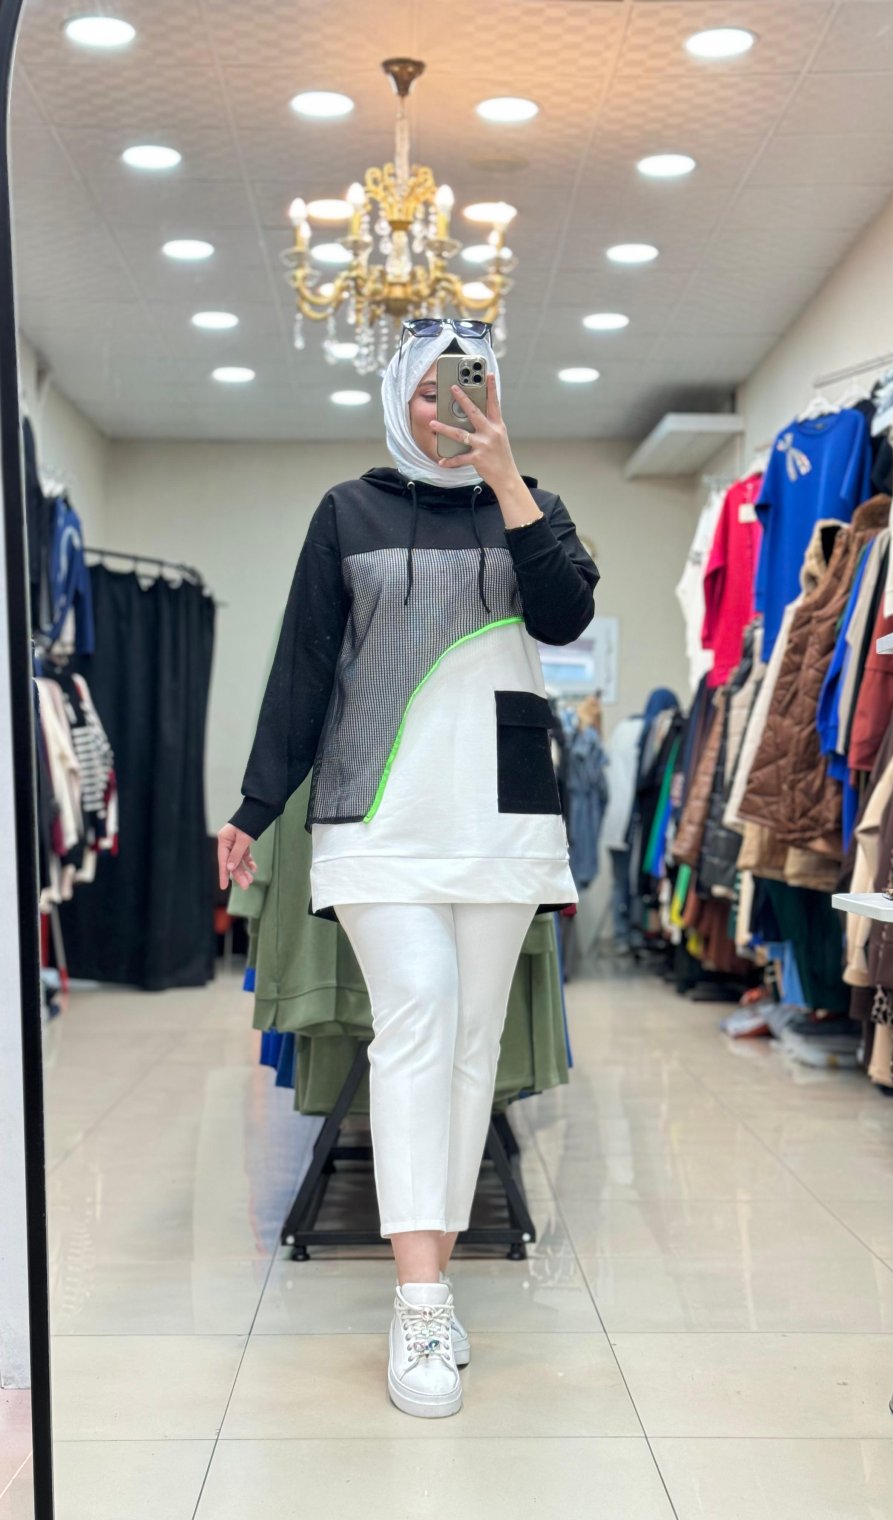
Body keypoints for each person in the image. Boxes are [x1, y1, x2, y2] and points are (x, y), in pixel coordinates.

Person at [217, 316, 598, 1419]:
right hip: (375, 808)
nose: (449, 409)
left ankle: (437, 1277)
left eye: (470, 388)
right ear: (398, 399)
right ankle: (419, 1300)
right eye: (431, 391)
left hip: (501, 811)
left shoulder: (535, 506)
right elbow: (302, 667)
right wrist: (253, 807)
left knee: (472, 1045)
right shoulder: (349, 511)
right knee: (419, 1014)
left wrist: (506, 479)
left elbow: (565, 618)